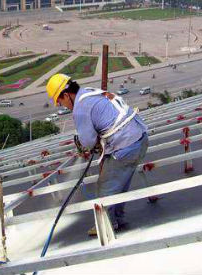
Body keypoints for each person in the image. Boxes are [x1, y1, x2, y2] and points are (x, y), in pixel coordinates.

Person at [46, 74, 148, 236]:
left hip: (125, 146)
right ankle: (118, 219)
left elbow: (88, 142)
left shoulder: (80, 109)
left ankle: (105, 225)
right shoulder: (89, 91)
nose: (61, 105)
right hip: (140, 137)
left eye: (60, 101)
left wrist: (88, 146)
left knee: (105, 187)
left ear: (66, 95)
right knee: (120, 183)